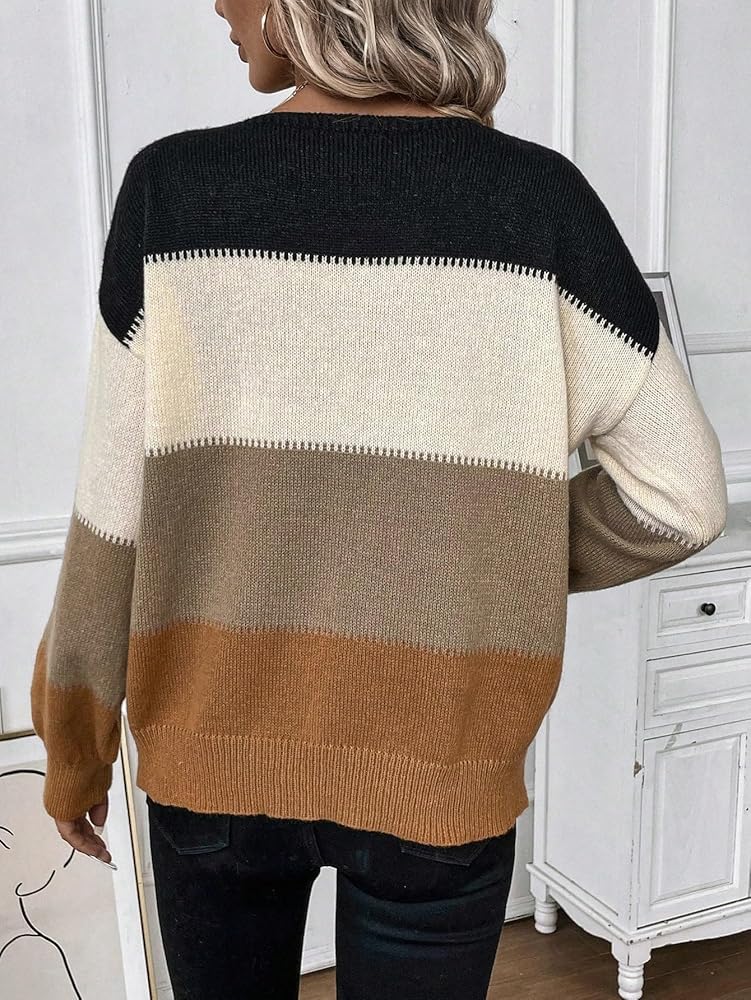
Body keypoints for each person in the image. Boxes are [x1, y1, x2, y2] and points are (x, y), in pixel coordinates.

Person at [29, 1, 728, 998]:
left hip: (213, 768)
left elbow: (113, 513)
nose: (217, 4)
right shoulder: (538, 202)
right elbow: (681, 498)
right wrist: (491, 555)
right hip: (439, 765)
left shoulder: (173, 193)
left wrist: (74, 747)